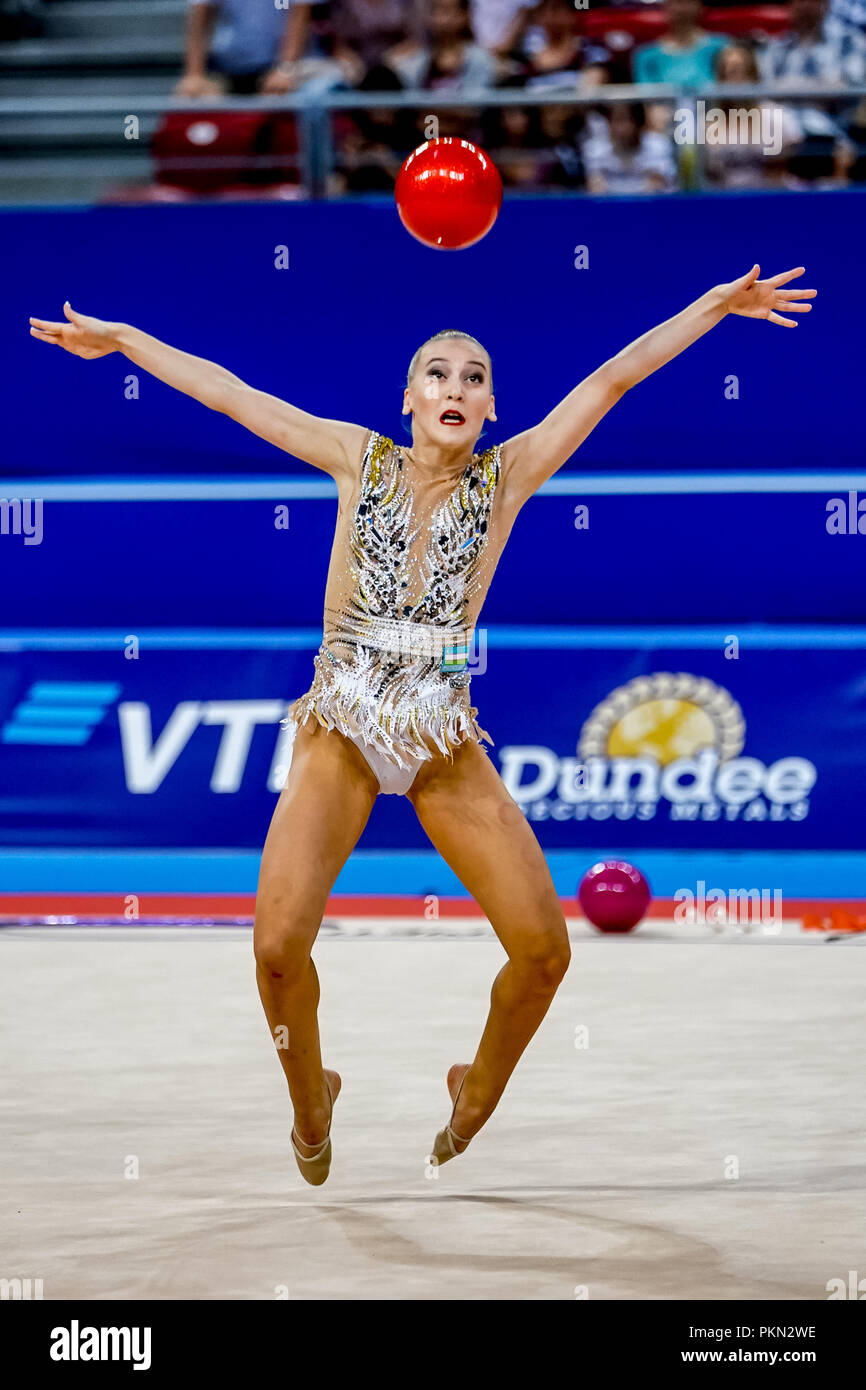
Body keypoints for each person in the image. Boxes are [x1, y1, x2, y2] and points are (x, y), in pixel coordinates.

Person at [29, 266, 817, 1182]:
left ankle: (473, 1089)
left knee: (544, 950)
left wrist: (715, 305)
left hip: (441, 736)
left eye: (474, 377)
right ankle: (310, 1094)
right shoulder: (354, 458)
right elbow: (229, 393)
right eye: (438, 374)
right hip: (342, 723)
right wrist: (124, 339)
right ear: (408, 399)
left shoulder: (510, 475)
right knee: (278, 945)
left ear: (490, 406)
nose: (456, 387)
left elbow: (614, 377)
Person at [176, 0, 329, 98]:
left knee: (296, 97)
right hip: (229, 66)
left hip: (290, 65)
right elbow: (200, 23)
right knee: (193, 98)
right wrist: (194, 75)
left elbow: (300, 18)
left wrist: (285, 70)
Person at [582, 100, 677, 193]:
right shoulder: (594, 149)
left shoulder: (658, 145)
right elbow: (596, 188)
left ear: (639, 122)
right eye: (615, 120)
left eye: (625, 120)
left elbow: (656, 186)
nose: (619, 128)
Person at [631, 0, 729, 86]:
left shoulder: (722, 46)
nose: (682, 8)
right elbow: (650, 102)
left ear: (700, 6)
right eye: (677, 1)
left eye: (688, 1)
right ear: (665, 6)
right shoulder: (645, 55)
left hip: (714, 107)